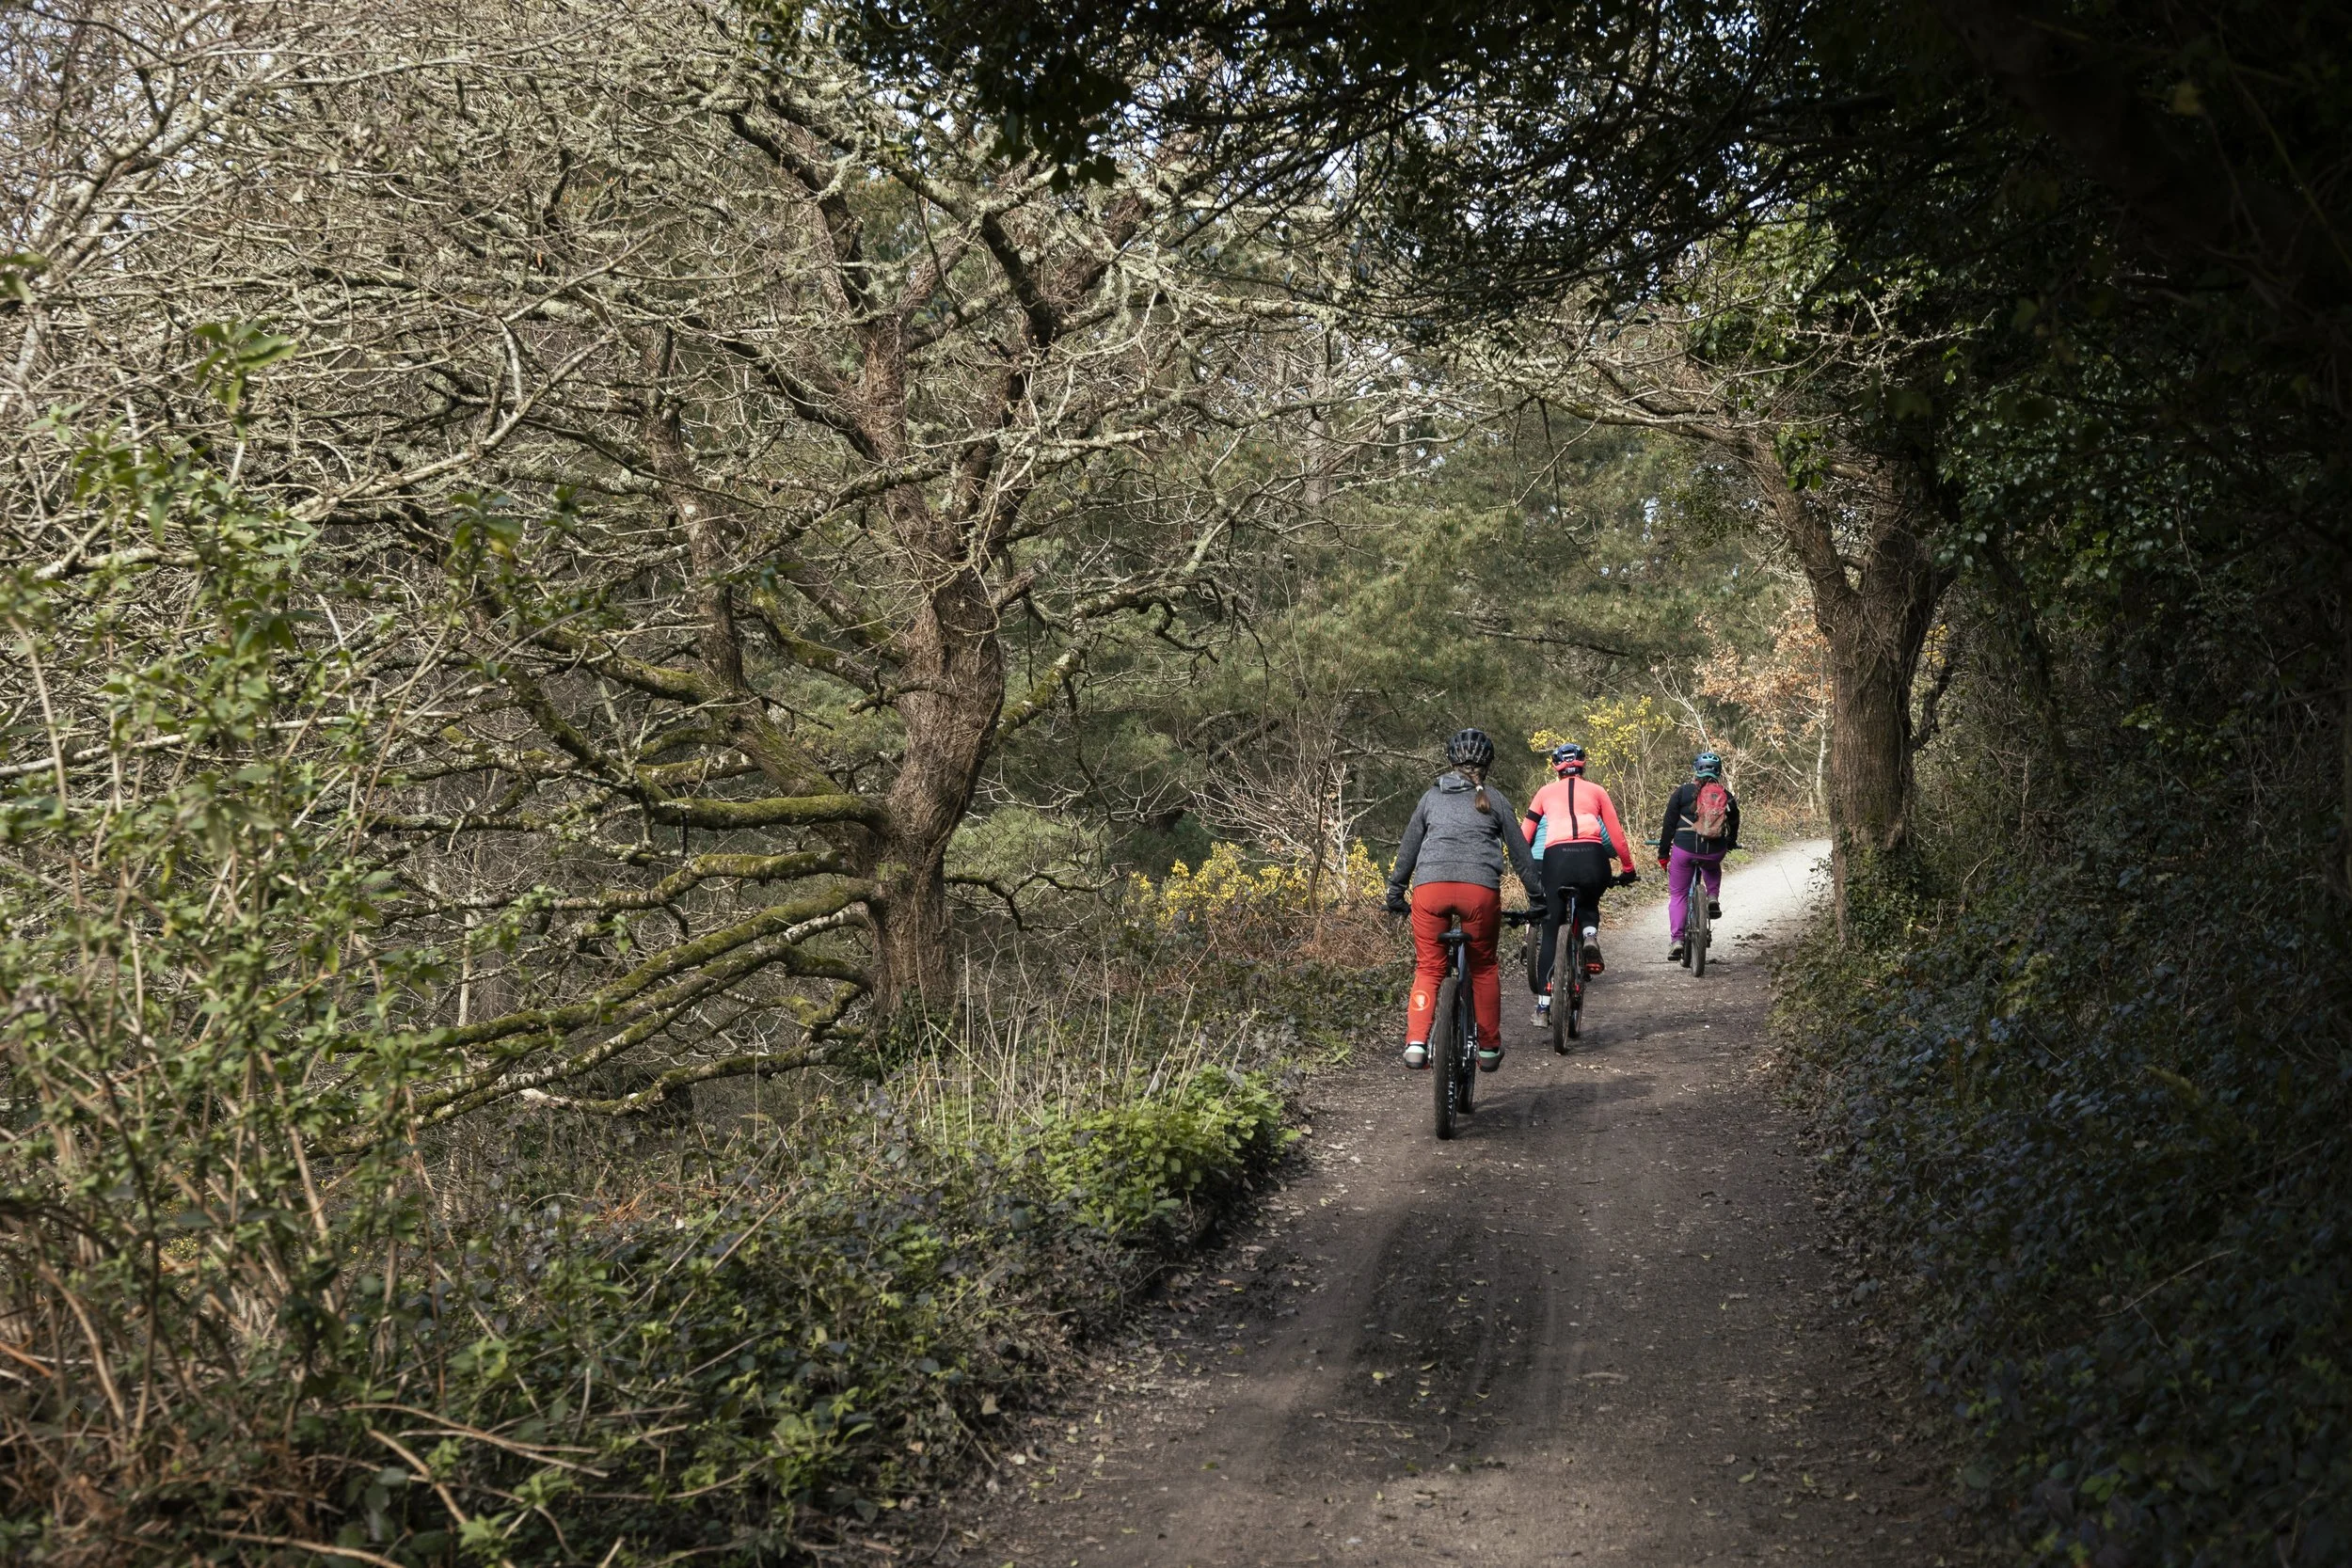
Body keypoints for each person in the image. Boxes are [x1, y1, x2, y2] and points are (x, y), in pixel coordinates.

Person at [1384, 728, 1545, 1073]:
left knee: (1429, 967)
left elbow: (1408, 850)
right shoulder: (1496, 800)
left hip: (1430, 891)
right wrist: (1537, 899)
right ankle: (1488, 1049)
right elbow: (1522, 857)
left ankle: (1415, 1043)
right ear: (1487, 765)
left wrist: (1395, 893)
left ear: (1451, 761)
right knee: (1484, 965)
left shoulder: (1430, 798)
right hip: (1480, 893)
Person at [1519, 741, 1640, 1024]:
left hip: (1555, 860)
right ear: (1583, 764)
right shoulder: (1597, 791)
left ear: (1555, 767)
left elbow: (1524, 835)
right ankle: (1588, 935)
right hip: (1592, 857)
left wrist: (1524, 870)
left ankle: (1543, 1006)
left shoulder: (1544, 793)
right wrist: (1628, 867)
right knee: (1589, 900)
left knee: (1551, 929)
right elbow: (1616, 834)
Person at [1656, 750, 1741, 961]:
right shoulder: (1725, 795)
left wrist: (1663, 853)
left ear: (1695, 770)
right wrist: (1729, 843)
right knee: (1712, 866)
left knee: (1678, 894)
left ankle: (1677, 940)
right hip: (1714, 850)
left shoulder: (1681, 793)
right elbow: (1734, 820)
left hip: (1684, 850)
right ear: (1718, 772)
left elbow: (1668, 825)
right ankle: (1712, 897)